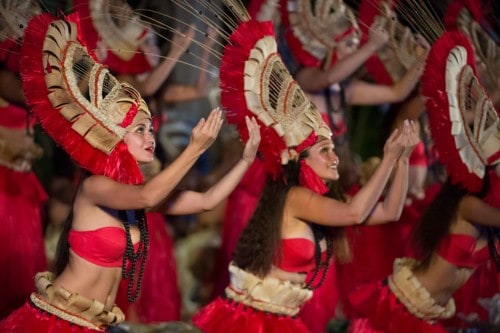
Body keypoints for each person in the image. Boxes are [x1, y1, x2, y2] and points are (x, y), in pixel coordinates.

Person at [0, 12, 260, 332]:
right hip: (59, 320)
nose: (150, 137)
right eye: (139, 129)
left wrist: (246, 160)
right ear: (114, 136)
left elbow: (205, 200)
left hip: (97, 323)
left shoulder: (131, 201)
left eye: (150, 129)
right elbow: (148, 193)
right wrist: (194, 149)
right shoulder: (96, 187)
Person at [189, 5, 419, 332]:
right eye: (325, 151)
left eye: (332, 149)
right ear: (301, 159)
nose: (334, 156)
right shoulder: (295, 197)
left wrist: (402, 159)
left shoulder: (320, 200)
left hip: (282, 316)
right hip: (257, 320)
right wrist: (388, 158)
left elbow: (390, 212)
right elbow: (355, 214)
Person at [348, 31, 500, 333]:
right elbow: (434, 103)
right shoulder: (469, 206)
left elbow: (478, 118)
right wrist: (432, 69)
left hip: (427, 312)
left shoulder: (479, 204)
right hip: (403, 304)